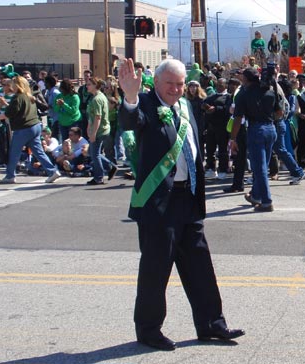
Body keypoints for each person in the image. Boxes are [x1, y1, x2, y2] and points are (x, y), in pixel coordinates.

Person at [117, 58, 244, 351]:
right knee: (155, 268)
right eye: (170, 84)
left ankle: (211, 323)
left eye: (180, 84)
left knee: (200, 264)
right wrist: (130, 96)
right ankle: (149, 330)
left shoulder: (185, 105)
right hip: (159, 201)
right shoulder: (145, 104)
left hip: (188, 197)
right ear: (156, 83)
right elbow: (129, 122)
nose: (175, 89)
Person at [0, 76, 61, 184]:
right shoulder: (29, 96)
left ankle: (10, 176)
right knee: (38, 152)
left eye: (12, 84)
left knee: (14, 152)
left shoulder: (18, 97)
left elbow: (10, 113)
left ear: (17, 85)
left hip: (24, 128)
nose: (11, 85)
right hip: (35, 126)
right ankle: (52, 171)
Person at [230, 67, 278, 212]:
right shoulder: (270, 90)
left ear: (246, 79)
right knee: (263, 166)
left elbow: (238, 118)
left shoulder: (244, 94)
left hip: (256, 129)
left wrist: (233, 139)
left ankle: (266, 201)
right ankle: (256, 196)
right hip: (271, 128)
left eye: (242, 77)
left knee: (260, 168)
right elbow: (279, 111)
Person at [85, 76, 118, 185]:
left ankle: (99, 177)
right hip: (99, 128)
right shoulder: (97, 97)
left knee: (95, 154)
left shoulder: (97, 99)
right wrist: (89, 127)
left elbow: (98, 117)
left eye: (89, 84)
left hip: (100, 130)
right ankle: (110, 167)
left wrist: (93, 133)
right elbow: (92, 116)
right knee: (92, 152)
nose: (87, 86)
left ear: (96, 86)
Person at [202, 78, 231, 180]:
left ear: (225, 86)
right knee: (210, 149)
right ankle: (211, 168)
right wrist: (205, 106)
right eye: (217, 85)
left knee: (222, 149)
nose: (218, 87)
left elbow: (227, 110)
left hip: (222, 127)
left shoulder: (228, 97)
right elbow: (204, 103)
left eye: (221, 85)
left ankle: (223, 169)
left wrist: (215, 109)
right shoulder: (212, 96)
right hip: (211, 126)